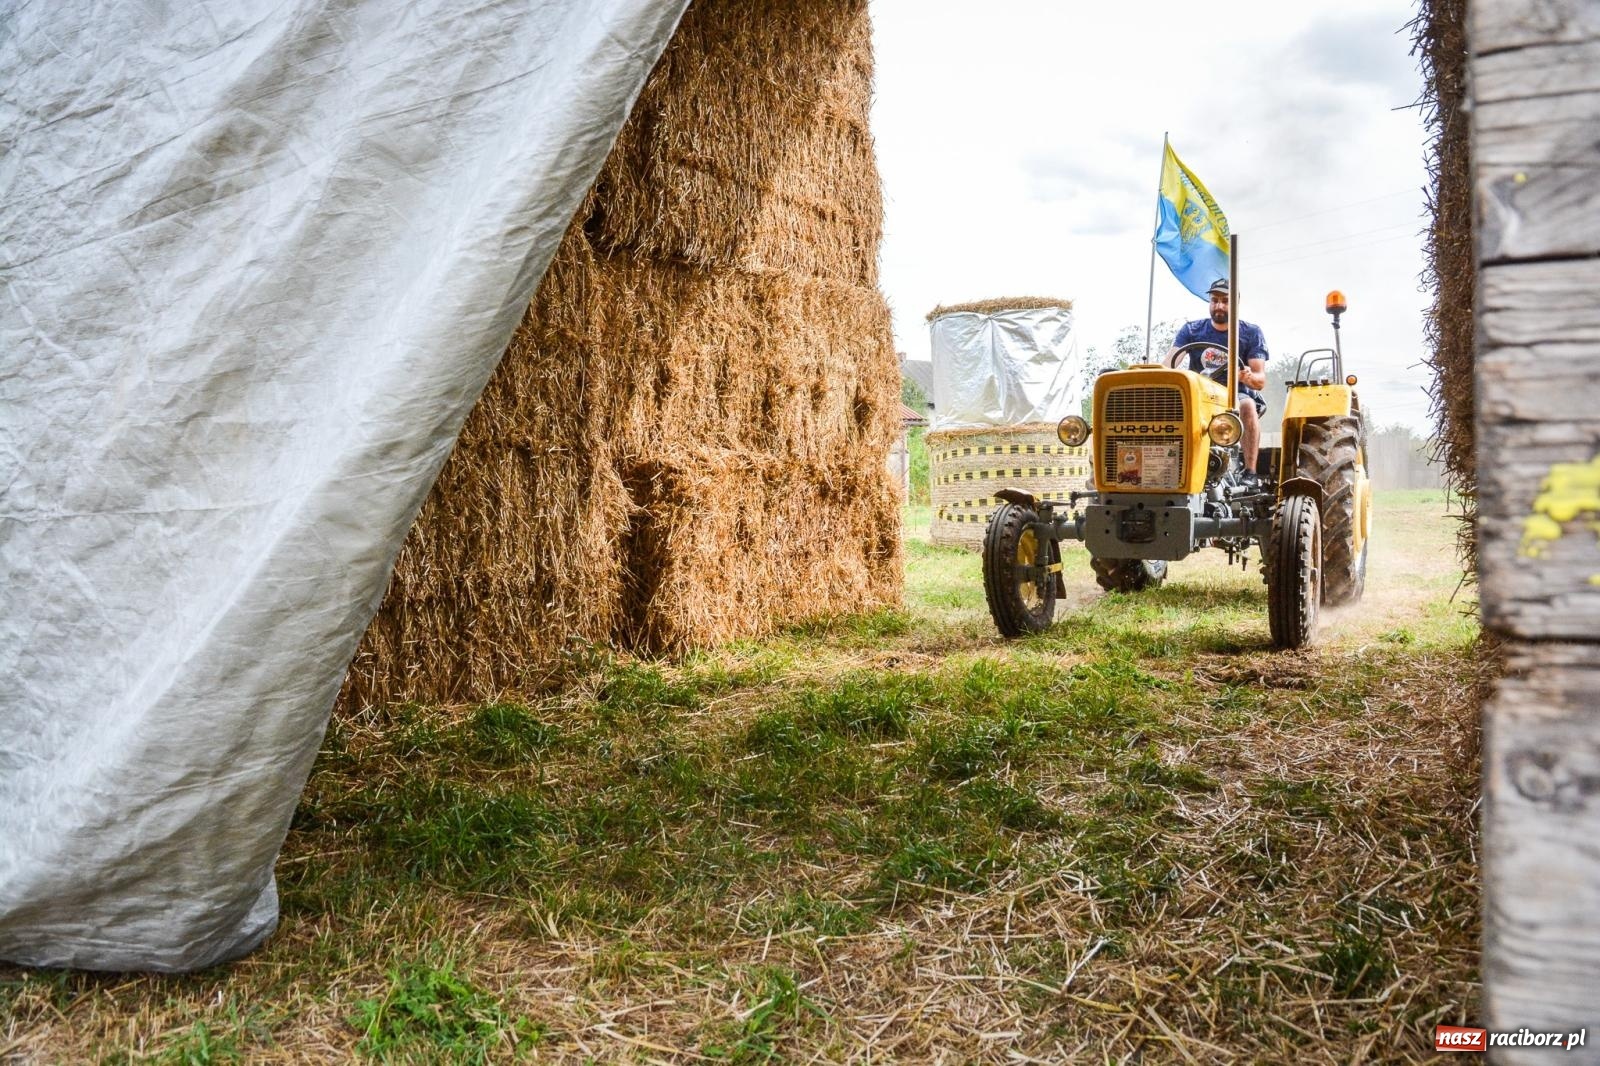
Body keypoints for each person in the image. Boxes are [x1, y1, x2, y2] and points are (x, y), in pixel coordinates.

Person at [1168, 278, 1269, 487]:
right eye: (1215, 300)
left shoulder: (1250, 333)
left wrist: (1248, 376)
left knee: (1248, 404)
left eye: (1225, 300)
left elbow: (1259, 381)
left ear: (1235, 303)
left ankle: (1250, 471)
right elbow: (1170, 363)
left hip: (1232, 398)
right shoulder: (1192, 330)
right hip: (1198, 397)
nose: (1219, 305)